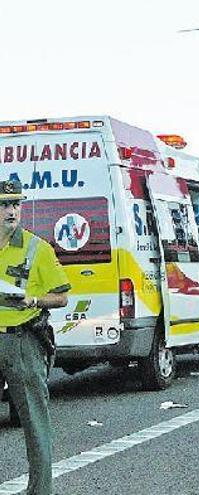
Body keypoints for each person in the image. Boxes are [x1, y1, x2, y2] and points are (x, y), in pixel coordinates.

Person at [0, 180, 71, 494]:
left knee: (34, 424)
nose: (10, 210)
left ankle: (40, 491)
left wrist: (34, 300)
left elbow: (62, 297)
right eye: (3, 204)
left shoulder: (36, 248)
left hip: (22, 342)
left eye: (15, 204)